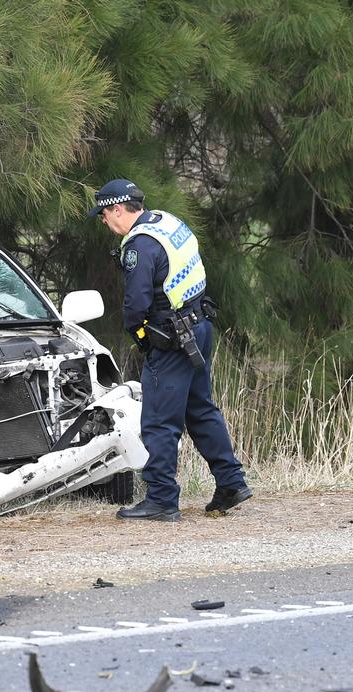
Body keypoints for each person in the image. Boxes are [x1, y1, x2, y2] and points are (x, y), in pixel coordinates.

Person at [88, 179, 253, 521]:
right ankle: (231, 482)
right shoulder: (166, 222)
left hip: (172, 337)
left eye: (104, 215)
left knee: (159, 421)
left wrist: (144, 339)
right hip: (199, 327)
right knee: (200, 410)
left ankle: (162, 499)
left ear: (118, 209)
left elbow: (135, 306)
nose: (104, 222)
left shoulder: (140, 246)